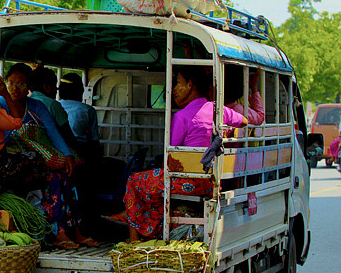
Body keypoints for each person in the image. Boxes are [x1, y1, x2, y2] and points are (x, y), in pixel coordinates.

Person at [107, 67, 249, 241]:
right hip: (211, 182)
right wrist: (225, 134)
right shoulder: (218, 110)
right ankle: (139, 224)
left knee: (134, 182)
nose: (174, 89)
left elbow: (172, 158)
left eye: (178, 83)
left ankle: (134, 237)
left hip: (187, 181)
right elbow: (244, 121)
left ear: (190, 85)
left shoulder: (182, 116)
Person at [0, 63, 80, 249]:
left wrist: (67, 155)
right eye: (11, 83)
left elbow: (53, 132)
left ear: (29, 87)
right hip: (10, 162)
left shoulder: (37, 106)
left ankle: (72, 230)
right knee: (53, 179)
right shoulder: (1, 103)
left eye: (20, 84)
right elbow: (11, 128)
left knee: (66, 177)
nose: (14, 88)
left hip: (32, 161)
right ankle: (54, 232)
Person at [58, 73, 103, 246]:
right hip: (80, 155)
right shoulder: (87, 110)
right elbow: (93, 141)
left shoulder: (55, 106)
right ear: (80, 91)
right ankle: (88, 224)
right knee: (87, 187)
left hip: (58, 154)